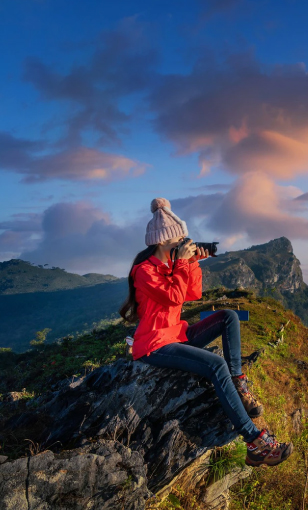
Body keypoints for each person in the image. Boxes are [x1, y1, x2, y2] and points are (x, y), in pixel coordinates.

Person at [119, 197, 293, 467]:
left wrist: (191, 263)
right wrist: (180, 265)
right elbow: (174, 298)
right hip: (154, 344)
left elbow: (193, 293)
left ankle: (238, 384)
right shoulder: (144, 271)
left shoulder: (169, 266)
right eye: (180, 241)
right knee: (215, 364)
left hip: (176, 333)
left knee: (228, 317)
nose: (184, 244)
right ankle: (255, 442)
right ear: (164, 242)